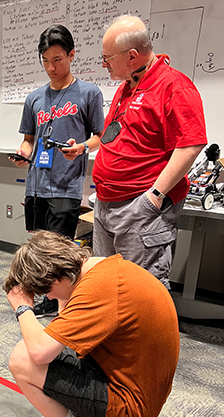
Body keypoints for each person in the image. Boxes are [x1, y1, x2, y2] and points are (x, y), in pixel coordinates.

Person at [3, 231, 179, 417]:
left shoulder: (98, 290)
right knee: (59, 344)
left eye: (46, 292)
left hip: (131, 408)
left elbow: (39, 352)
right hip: (143, 392)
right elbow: (64, 323)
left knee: (22, 358)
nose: (48, 297)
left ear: (57, 279)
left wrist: (23, 308)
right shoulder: (104, 269)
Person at [93, 15, 207, 288]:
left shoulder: (174, 86)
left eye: (107, 58)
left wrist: (154, 197)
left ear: (132, 55)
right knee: (106, 284)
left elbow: (191, 143)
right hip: (106, 203)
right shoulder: (127, 87)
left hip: (139, 207)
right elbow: (117, 136)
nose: (103, 64)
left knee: (141, 290)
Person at [9, 25, 104, 318]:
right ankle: (48, 297)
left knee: (59, 249)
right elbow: (28, 140)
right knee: (39, 245)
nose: (51, 67)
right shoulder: (34, 98)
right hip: (36, 184)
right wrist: (23, 154)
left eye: (58, 59)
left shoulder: (89, 93)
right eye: (46, 60)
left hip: (67, 184)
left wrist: (81, 148)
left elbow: (100, 136)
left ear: (72, 55)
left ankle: (58, 302)